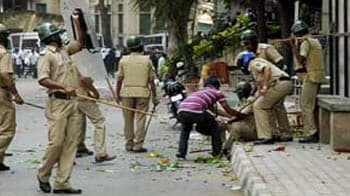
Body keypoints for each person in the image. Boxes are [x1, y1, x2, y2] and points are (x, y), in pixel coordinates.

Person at [36, 10, 85, 194]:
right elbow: (43, 79)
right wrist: (63, 87)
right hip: (57, 103)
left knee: (71, 143)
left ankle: (62, 182)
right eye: (56, 33)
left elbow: (80, 43)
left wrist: (77, 22)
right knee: (56, 143)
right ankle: (43, 173)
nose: (60, 35)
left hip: (73, 103)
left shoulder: (65, 51)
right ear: (50, 36)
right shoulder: (46, 55)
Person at [176, 77, 246, 159]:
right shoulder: (217, 92)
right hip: (196, 110)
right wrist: (238, 115)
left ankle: (181, 152)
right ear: (217, 86)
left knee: (185, 130)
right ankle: (217, 152)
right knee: (215, 127)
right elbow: (226, 108)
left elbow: (214, 110)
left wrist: (229, 116)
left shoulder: (201, 93)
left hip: (181, 110)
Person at [236, 51, 293, 145]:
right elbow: (259, 87)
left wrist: (265, 86)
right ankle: (283, 134)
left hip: (279, 84)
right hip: (285, 83)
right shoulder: (256, 67)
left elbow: (267, 69)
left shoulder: (253, 63)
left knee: (259, 106)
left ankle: (265, 136)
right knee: (272, 106)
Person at [116, 36, 159, 153]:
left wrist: (117, 94)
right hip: (143, 93)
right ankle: (138, 145)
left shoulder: (123, 60)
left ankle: (129, 144)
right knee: (141, 119)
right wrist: (155, 96)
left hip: (127, 93)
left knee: (128, 120)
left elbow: (119, 79)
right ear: (141, 46)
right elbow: (151, 81)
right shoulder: (147, 60)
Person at [289, 20, 325, 143]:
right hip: (317, 75)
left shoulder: (305, 43)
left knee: (306, 105)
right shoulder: (314, 41)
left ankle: (311, 133)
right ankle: (313, 130)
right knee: (311, 105)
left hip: (311, 77)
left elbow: (301, 59)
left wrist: (293, 46)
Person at [0, 23, 24, 171]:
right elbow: (4, 75)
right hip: (2, 93)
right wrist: (16, 94)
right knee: (7, 129)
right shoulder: (3, 53)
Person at [76, 76, 116, 162]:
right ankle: (101, 153)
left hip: (72, 97)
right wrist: (95, 92)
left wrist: (89, 94)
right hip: (82, 97)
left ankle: (78, 148)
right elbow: (84, 80)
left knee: (78, 124)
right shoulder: (81, 64)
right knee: (99, 121)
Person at [222, 81, 257, 157]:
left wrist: (229, 119)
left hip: (252, 129)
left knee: (236, 126)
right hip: (246, 126)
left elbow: (242, 115)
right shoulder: (242, 101)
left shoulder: (251, 101)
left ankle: (226, 149)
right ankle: (220, 146)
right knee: (220, 123)